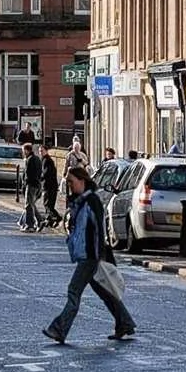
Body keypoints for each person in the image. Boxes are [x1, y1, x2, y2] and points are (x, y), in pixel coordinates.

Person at [44, 165, 136, 344]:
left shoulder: (92, 201)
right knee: (104, 290)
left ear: (82, 180)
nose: (70, 186)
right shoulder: (81, 201)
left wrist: (98, 253)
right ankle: (125, 323)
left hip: (91, 255)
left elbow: (98, 230)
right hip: (88, 254)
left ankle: (59, 329)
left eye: (72, 182)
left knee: (74, 290)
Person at [22, 144, 45, 232]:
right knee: (31, 204)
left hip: (31, 184)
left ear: (27, 150)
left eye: (24, 150)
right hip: (37, 184)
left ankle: (29, 225)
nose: (23, 152)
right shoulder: (37, 159)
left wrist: (25, 184)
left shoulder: (29, 159)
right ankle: (40, 220)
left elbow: (27, 174)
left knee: (28, 205)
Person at [42, 147, 61, 227]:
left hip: (50, 186)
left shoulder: (47, 160)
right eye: (40, 151)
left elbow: (46, 173)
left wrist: (40, 178)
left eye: (42, 151)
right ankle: (49, 220)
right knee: (48, 204)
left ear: (46, 151)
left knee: (48, 204)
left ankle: (57, 217)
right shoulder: (44, 159)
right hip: (49, 186)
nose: (40, 152)